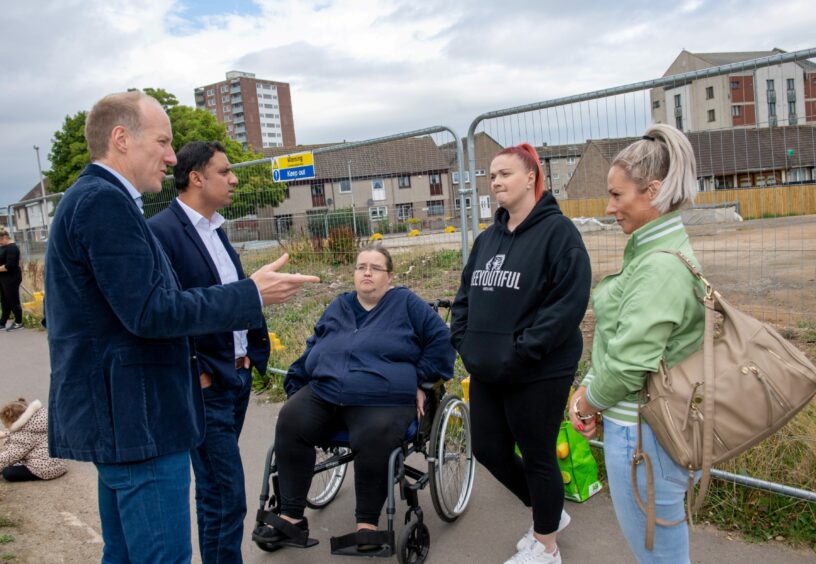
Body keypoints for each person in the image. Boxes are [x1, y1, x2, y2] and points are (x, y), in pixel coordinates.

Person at [44, 90, 319, 564]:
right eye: (164, 142)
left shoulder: (96, 199)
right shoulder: (103, 203)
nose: (172, 157)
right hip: (139, 420)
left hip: (125, 419)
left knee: (126, 555)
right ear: (121, 139)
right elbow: (152, 312)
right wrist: (250, 294)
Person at [253, 245, 455, 550]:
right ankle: (291, 518)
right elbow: (315, 342)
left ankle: (367, 524)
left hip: (382, 398)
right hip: (326, 391)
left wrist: (421, 380)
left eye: (375, 268)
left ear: (390, 276)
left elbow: (442, 340)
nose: (367, 273)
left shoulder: (406, 304)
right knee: (292, 419)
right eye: (361, 267)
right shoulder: (340, 305)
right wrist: (299, 379)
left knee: (375, 434)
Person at [451, 143, 591, 564]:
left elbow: (567, 304)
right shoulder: (487, 240)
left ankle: (546, 546)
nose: (495, 182)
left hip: (539, 369)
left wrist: (520, 352)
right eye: (491, 175)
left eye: (505, 173)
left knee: (538, 455)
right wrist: (465, 341)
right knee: (488, 448)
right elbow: (464, 298)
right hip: (489, 368)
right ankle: (548, 512)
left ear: (531, 177)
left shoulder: (559, 233)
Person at [569, 124, 704, 564]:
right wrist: (595, 397)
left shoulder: (657, 266)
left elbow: (629, 363)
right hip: (643, 429)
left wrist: (587, 402)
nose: (609, 208)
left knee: (660, 557)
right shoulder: (652, 252)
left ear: (653, 190)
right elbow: (622, 341)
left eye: (617, 196)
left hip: (644, 439)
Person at [148, 141, 271, 564]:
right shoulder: (161, 232)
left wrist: (250, 358)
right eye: (224, 171)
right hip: (205, 384)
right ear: (196, 178)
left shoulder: (214, 228)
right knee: (226, 493)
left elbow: (230, 298)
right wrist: (194, 370)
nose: (234, 178)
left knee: (215, 491)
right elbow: (164, 311)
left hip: (234, 378)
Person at [0, 397, 67, 481]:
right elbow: (24, 431)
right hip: (58, 462)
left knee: (8, 472)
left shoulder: (23, 436)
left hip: (44, 468)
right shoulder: (38, 420)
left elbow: (11, 456)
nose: (5, 426)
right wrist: (6, 433)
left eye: (5, 423)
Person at [0, 228, 23, 332]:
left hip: (12, 278)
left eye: (0, 240)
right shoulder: (3, 247)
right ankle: (2, 322)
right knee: (4, 300)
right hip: (3, 278)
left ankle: (19, 322)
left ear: (5, 237)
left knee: (13, 300)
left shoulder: (12, 248)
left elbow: (10, 265)